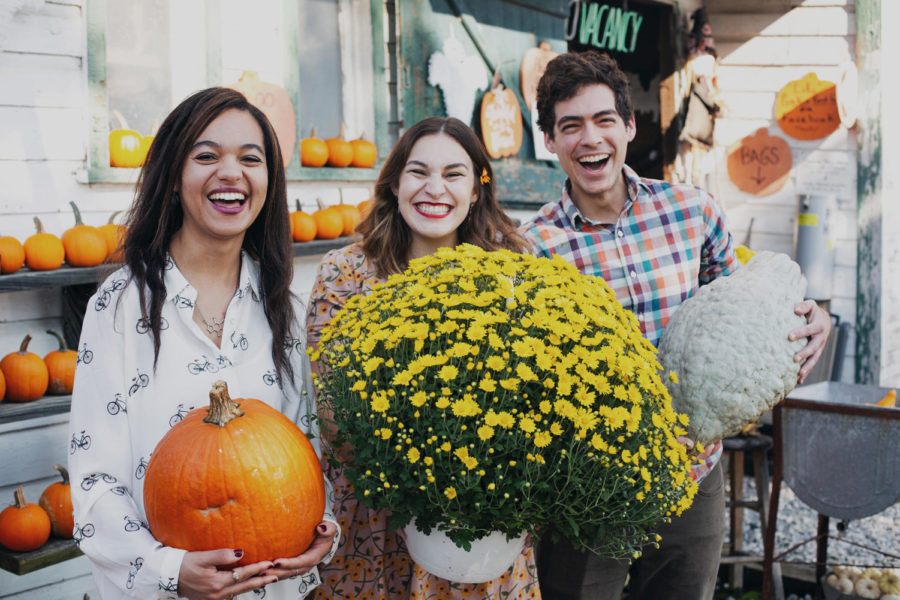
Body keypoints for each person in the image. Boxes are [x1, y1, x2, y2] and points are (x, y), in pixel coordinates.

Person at [518, 51, 832, 600]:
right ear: (550, 141)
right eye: (570, 126)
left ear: (629, 126)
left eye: (603, 120)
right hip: (589, 486)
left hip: (692, 477)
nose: (590, 139)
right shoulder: (532, 248)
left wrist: (810, 319)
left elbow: (743, 316)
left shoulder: (693, 212)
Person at [68, 87, 339, 600]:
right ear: (174, 176)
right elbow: (94, 482)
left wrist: (320, 527)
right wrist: (170, 569)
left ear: (268, 182)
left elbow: (308, 451)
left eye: (250, 159)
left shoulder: (285, 308)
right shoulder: (120, 306)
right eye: (207, 155)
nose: (231, 173)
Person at [305, 116, 541, 600]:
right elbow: (331, 410)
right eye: (418, 172)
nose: (435, 189)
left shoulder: (516, 271)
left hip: (480, 518)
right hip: (372, 511)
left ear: (476, 190)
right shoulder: (346, 273)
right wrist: (418, 473)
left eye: (454, 174)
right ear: (394, 183)